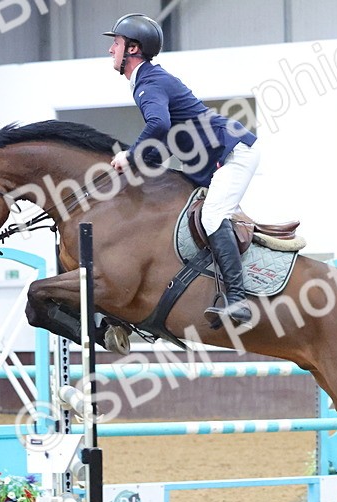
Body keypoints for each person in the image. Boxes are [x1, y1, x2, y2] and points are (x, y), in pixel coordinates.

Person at [104, 13, 259, 329]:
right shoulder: (148, 81)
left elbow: (158, 125)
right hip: (209, 159)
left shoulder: (150, 82)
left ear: (133, 49)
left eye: (116, 43)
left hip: (233, 153)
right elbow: (167, 137)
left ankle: (238, 301)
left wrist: (130, 156)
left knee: (212, 217)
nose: (111, 50)